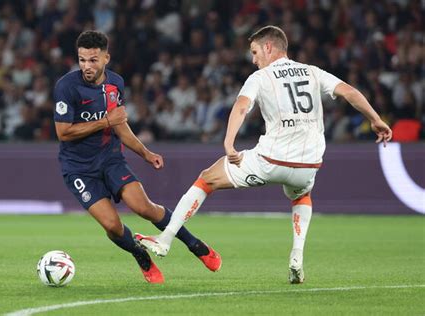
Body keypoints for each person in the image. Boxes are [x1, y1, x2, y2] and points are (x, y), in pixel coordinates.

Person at [136, 25, 392, 284]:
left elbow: (241, 106)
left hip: (271, 160)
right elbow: (349, 92)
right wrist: (375, 119)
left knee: (206, 178)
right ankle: (297, 257)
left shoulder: (261, 77)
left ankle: (165, 239)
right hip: (309, 165)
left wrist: (228, 142)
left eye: (255, 51)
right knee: (302, 194)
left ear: (269, 47)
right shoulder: (313, 72)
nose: (253, 58)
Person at [53, 31, 221, 284]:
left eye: (93, 60)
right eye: (82, 60)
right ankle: (140, 254)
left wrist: (145, 153)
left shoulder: (115, 84)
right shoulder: (66, 87)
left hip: (110, 159)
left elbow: (119, 125)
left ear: (106, 58)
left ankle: (196, 245)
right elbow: (64, 132)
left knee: (144, 207)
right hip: (78, 169)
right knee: (112, 226)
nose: (87, 66)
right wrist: (105, 121)